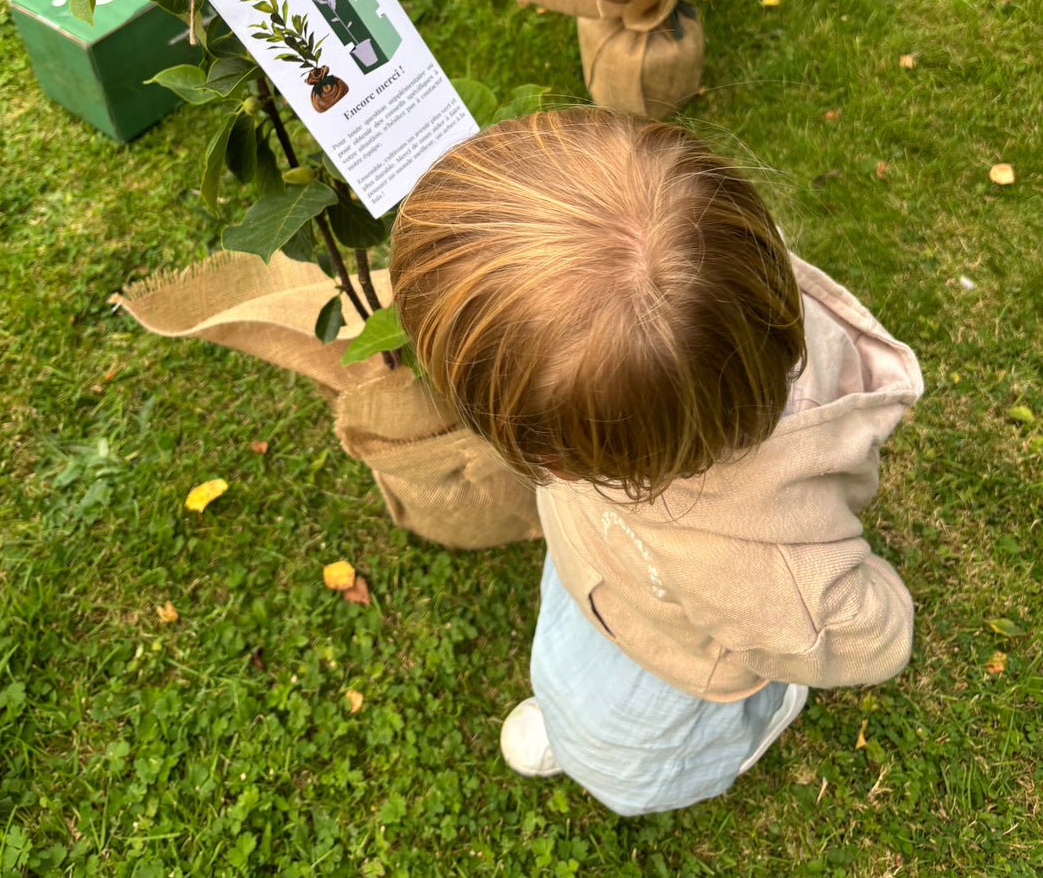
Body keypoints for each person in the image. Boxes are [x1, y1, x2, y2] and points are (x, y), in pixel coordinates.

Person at [389, 108, 923, 816]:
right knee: (574, 660)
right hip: (604, 572)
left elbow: (873, 635)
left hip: (689, 661)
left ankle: (744, 721)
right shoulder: (715, 303)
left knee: (634, 764)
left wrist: (821, 623)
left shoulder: (770, 577)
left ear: (553, 457)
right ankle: (574, 715)